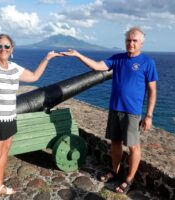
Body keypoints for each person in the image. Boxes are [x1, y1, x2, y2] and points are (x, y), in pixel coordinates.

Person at [61, 26, 158, 194]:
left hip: (132, 112)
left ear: (141, 43)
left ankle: (129, 179)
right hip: (115, 109)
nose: (131, 43)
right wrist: (78, 55)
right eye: (128, 40)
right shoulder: (118, 58)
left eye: (135, 41)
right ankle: (115, 171)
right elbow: (98, 66)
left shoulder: (147, 62)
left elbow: (152, 91)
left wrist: (149, 116)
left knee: (134, 147)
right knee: (115, 143)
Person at [0, 34, 62, 200]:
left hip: (9, 117)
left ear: (12, 49)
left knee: (4, 153)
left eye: (6, 46)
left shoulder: (13, 68)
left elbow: (34, 77)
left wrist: (47, 58)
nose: (2, 49)